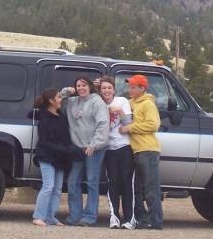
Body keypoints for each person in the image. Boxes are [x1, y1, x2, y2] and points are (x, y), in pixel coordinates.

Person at [61, 76, 109, 226]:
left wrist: (94, 145)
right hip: (78, 148)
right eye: (78, 86)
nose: (81, 88)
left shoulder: (97, 102)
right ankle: (75, 216)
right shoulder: (72, 102)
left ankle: (89, 217)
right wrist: (66, 92)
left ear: (90, 86)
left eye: (84, 85)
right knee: (72, 181)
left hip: (93, 149)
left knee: (92, 182)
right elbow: (57, 102)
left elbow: (103, 124)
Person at [32, 89, 82, 227]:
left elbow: (65, 138)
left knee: (57, 189)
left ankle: (50, 217)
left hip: (60, 158)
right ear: (51, 101)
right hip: (46, 156)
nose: (61, 100)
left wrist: (69, 149)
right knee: (48, 186)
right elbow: (45, 142)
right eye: (59, 97)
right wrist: (65, 149)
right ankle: (38, 216)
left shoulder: (61, 117)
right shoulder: (44, 119)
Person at [119, 74, 163, 230]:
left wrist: (129, 128)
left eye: (133, 87)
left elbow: (153, 125)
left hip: (148, 150)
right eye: (129, 87)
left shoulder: (148, 104)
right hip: (135, 151)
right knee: (136, 188)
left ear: (142, 88)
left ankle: (156, 221)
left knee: (151, 188)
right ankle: (142, 219)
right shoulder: (131, 103)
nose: (129, 90)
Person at [99, 76, 135, 229]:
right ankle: (114, 217)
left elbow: (128, 124)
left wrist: (120, 112)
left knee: (127, 182)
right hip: (108, 149)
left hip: (124, 147)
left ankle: (130, 219)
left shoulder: (122, 101)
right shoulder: (98, 104)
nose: (106, 90)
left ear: (114, 90)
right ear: (100, 90)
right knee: (113, 183)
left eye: (109, 88)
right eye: (103, 88)